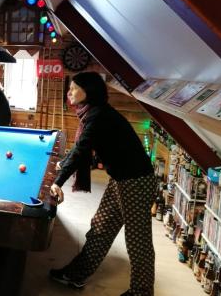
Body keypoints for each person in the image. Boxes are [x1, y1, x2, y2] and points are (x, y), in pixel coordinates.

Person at [49, 72, 156, 296]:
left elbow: (81, 149)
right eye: (70, 88)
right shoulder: (91, 112)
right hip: (121, 178)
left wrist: (59, 182)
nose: (69, 92)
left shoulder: (98, 116)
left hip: (136, 180)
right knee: (100, 228)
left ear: (90, 91)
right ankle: (77, 274)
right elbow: (81, 146)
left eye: (74, 88)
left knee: (138, 241)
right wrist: (63, 163)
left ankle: (141, 292)